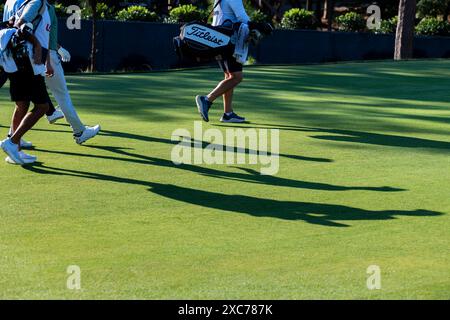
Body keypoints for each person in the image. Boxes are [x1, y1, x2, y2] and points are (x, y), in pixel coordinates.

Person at [0, 0, 51, 164]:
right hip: (28, 60)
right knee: (42, 106)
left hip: (15, 60)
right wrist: (36, 44)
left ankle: (15, 152)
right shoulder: (37, 1)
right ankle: (13, 142)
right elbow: (20, 25)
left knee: (22, 105)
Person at [44, 0, 100, 144]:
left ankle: (13, 139)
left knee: (25, 99)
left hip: (25, 57)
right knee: (62, 96)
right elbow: (43, 34)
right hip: (45, 55)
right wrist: (57, 50)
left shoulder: (15, 3)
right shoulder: (42, 6)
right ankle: (79, 131)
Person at [195, 0, 249, 123]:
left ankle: (228, 113)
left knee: (229, 76)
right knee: (236, 77)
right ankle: (207, 99)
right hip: (229, 42)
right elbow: (243, 18)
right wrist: (259, 26)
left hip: (219, 41)